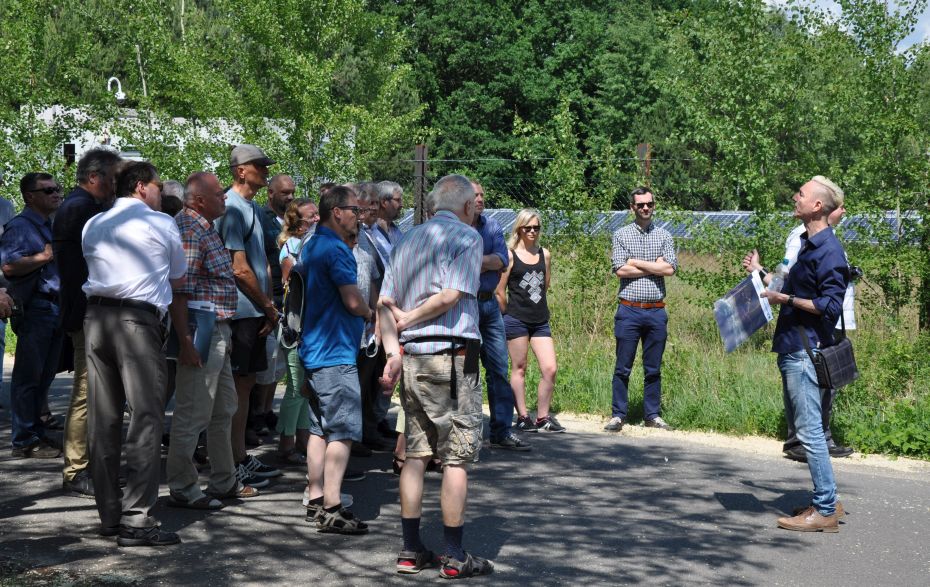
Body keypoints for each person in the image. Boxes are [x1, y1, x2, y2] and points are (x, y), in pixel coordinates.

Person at [379, 174, 493, 578]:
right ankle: (454, 555)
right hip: (452, 357)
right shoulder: (466, 237)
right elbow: (452, 293)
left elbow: (384, 305)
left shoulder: (406, 240)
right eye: (475, 205)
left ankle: (410, 551)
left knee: (415, 454)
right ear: (465, 207)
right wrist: (412, 316)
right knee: (457, 458)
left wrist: (393, 352)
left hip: (412, 359)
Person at [82, 161, 187, 546]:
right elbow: (178, 278)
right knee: (145, 417)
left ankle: (110, 514)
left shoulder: (94, 223)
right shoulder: (160, 223)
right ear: (142, 187)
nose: (162, 193)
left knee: (103, 419)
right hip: (137, 322)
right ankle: (137, 519)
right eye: (159, 186)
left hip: (95, 316)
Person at [759, 176, 849, 533]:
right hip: (794, 347)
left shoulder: (828, 249)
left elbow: (829, 306)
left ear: (817, 207)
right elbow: (793, 287)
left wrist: (788, 300)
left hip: (805, 351)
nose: (795, 196)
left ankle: (825, 509)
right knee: (808, 430)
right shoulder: (809, 244)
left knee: (810, 433)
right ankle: (825, 499)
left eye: (801, 193)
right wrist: (764, 278)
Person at [165, 172, 260, 509]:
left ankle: (224, 481)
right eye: (219, 194)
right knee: (193, 412)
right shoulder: (190, 229)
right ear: (199, 200)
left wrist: (224, 334)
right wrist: (187, 341)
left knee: (223, 410)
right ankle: (183, 487)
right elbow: (180, 291)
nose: (224, 198)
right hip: (199, 331)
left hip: (216, 330)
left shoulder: (204, 226)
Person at [742, 205, 856, 461]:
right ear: (824, 207)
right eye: (841, 205)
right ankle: (804, 441)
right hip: (814, 322)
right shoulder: (803, 238)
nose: (845, 210)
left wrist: (759, 271)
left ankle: (816, 440)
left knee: (827, 381)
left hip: (828, 319)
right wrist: (764, 277)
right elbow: (787, 278)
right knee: (810, 381)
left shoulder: (827, 238)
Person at [299, 185, 372, 534]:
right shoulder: (338, 251)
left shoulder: (311, 244)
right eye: (354, 210)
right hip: (335, 354)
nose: (358, 216)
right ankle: (333, 507)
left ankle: (315, 497)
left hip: (312, 351)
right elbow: (353, 301)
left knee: (318, 428)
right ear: (337, 212)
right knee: (342, 431)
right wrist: (373, 314)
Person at [214, 144, 282, 486]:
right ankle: (229, 460)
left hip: (255, 310)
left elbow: (260, 264)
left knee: (246, 386)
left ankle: (239, 455)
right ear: (241, 170)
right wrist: (268, 306)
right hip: (241, 312)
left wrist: (267, 306)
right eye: (259, 165)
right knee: (236, 391)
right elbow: (239, 269)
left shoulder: (250, 207)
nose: (265, 171)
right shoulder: (231, 208)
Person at [1, 172, 64, 459]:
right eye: (49, 190)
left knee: (45, 374)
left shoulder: (47, 224)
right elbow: (9, 268)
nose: (56, 194)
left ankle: (36, 432)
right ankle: (24, 439)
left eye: (57, 189)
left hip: (54, 306)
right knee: (28, 376)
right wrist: (44, 257)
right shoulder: (21, 226)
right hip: (37, 307)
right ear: (30, 196)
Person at [604, 187, 678, 433]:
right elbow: (620, 270)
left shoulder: (665, 235)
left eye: (649, 204)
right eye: (640, 205)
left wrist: (635, 261)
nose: (646, 208)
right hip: (629, 310)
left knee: (653, 368)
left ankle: (652, 415)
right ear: (632, 208)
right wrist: (653, 266)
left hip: (656, 311)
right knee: (623, 366)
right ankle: (618, 414)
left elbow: (669, 269)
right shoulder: (621, 234)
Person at [469, 180, 530, 450]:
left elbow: (502, 261)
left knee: (498, 368)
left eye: (483, 194)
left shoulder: (491, 226)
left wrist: (473, 260)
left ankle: (501, 431)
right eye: (476, 195)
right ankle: (467, 431)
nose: (481, 199)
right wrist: (486, 261)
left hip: (490, 308)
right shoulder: (457, 228)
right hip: (466, 309)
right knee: (467, 370)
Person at [496, 208, 562, 433]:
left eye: (536, 227)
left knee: (550, 368)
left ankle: (543, 417)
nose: (533, 231)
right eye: (528, 228)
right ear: (519, 229)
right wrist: (508, 313)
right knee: (520, 368)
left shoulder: (545, 254)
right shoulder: (510, 255)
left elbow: (546, 285)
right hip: (516, 319)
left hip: (540, 319)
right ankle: (523, 416)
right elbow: (499, 291)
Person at [251, 173, 297, 440]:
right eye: (284, 193)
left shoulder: (292, 221)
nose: (289, 197)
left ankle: (267, 409)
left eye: (292, 192)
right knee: (267, 361)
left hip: (291, 300)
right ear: (270, 193)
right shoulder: (261, 218)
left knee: (279, 363)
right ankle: (255, 414)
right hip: (271, 297)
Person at [275, 198, 316, 464]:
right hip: (296, 326)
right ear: (298, 224)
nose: (317, 219)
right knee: (294, 386)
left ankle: (302, 438)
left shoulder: (310, 244)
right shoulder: (290, 248)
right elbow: (294, 285)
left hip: (311, 326)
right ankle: (286, 442)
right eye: (311, 216)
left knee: (303, 387)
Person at [371, 180, 404, 268]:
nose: (401, 205)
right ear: (384, 202)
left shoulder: (395, 231)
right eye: (397, 200)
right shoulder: (370, 232)